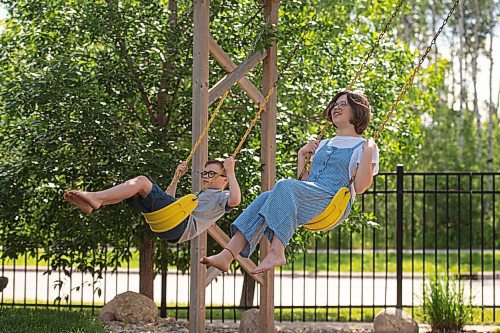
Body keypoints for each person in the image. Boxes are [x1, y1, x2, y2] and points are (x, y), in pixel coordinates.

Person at [201, 90, 379, 274]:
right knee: (266, 197)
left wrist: (368, 153)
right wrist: (301, 155)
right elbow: (304, 182)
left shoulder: (364, 146)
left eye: (344, 104)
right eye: (336, 104)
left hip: (332, 202)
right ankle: (227, 255)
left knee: (284, 185)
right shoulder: (324, 144)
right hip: (311, 196)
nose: (337, 107)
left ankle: (277, 251)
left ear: (357, 110)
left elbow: (360, 187)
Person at [64, 157, 241, 243]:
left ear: (224, 179)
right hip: (169, 223)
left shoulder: (221, 197)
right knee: (135, 192)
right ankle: (94, 204)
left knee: (141, 181)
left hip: (181, 226)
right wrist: (176, 178)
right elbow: (170, 203)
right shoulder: (197, 195)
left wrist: (231, 172)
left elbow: (235, 201)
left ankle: (97, 198)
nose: (205, 177)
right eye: (205, 172)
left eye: (212, 174)